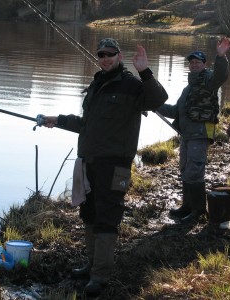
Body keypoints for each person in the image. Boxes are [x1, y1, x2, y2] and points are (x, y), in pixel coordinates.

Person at [40, 38, 168, 296]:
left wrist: (144, 71)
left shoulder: (132, 85)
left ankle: (100, 276)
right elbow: (87, 123)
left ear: (119, 56)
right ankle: (91, 266)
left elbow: (158, 100)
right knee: (89, 215)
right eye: (101, 54)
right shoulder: (97, 84)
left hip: (115, 166)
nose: (105, 58)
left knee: (108, 218)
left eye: (110, 54)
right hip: (89, 163)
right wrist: (57, 120)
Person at [156, 37, 230, 225]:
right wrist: (154, 105)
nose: (194, 64)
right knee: (185, 170)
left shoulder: (209, 80)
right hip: (187, 136)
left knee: (194, 171)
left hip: (201, 133)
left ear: (204, 64)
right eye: (192, 62)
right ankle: (187, 206)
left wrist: (221, 57)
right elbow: (175, 111)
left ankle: (198, 211)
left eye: (198, 62)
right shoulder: (188, 88)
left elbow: (221, 76)